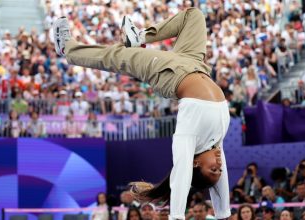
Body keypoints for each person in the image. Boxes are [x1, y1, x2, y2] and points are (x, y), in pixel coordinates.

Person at [54, 7, 230, 219]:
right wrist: (223, 214)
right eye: (219, 170)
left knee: (118, 56)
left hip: (168, 73)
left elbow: (181, 177)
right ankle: (140, 36)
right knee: (194, 16)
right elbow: (222, 182)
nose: (219, 166)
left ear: (196, 163)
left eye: (213, 170)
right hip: (195, 63)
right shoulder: (216, 141)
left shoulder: (189, 139)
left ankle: (67, 49)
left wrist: (176, 216)